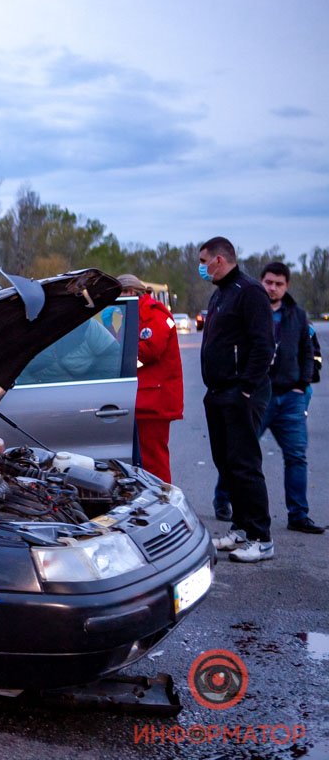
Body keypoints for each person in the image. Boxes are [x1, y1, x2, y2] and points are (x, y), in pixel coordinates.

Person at [199, 237, 276, 562]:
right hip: (218, 393)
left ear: (219, 259)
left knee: (244, 465)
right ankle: (241, 528)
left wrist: (245, 388)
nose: (201, 267)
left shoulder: (249, 291)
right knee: (226, 463)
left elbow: (263, 345)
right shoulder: (221, 293)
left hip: (241, 393)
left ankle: (261, 537)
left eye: (203, 261)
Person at [255, 262, 323, 533]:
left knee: (296, 456)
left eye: (278, 284)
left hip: (290, 398)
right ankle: (224, 501)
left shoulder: (297, 315)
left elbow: (308, 351)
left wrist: (302, 383)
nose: (272, 288)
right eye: (268, 282)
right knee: (242, 454)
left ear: (287, 286)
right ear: (261, 281)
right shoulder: (251, 311)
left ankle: (298, 515)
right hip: (258, 397)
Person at [118, 274, 183, 483]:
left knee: (153, 462)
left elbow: (148, 352)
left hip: (153, 401)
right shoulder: (134, 312)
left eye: (118, 294)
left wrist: (116, 358)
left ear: (129, 292)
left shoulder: (154, 314)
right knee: (143, 461)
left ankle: (163, 497)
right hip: (143, 398)